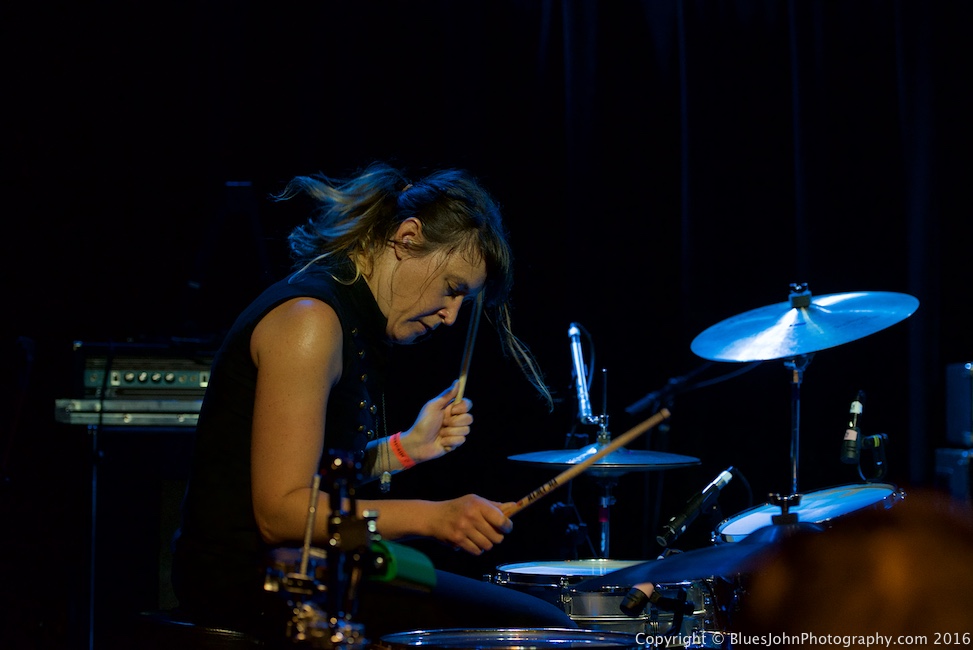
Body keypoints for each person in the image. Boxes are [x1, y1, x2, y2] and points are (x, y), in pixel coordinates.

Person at [170, 162, 578, 644]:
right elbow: (281, 513)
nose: (451, 317)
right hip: (243, 575)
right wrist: (435, 518)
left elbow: (321, 477)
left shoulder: (351, 316)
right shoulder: (310, 321)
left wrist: (405, 449)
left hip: (299, 565)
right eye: (452, 290)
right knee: (538, 629)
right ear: (407, 237)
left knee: (527, 617)